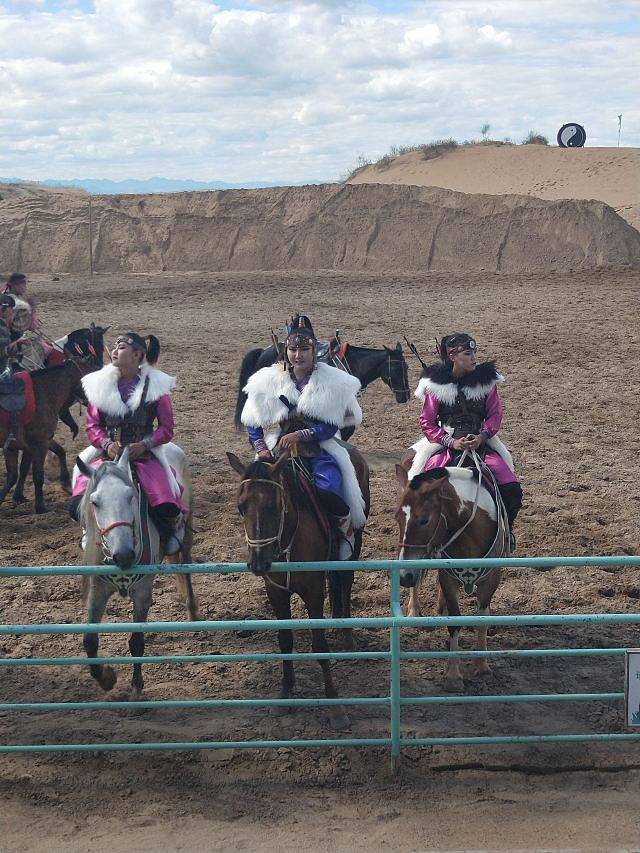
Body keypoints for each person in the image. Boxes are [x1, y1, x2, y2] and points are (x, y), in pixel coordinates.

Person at [241, 314, 366, 558]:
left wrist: (301, 434)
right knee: (254, 495)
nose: (298, 355)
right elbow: (252, 421)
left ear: (314, 351)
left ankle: (343, 535)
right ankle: (258, 541)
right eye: (293, 349)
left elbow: (331, 426)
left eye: (304, 349)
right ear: (286, 350)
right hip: (276, 449)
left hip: (319, 449)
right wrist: (260, 449)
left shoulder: (332, 382)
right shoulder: (268, 380)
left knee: (332, 490)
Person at [69, 332, 186, 554]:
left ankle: (173, 528)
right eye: (114, 346)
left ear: (137, 354)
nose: (114, 351)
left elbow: (166, 428)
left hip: (143, 456)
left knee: (165, 500)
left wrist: (145, 444)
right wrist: (105, 444)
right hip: (108, 457)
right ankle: (88, 530)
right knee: (80, 497)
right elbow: (93, 425)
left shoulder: (156, 387)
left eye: (121, 347)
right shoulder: (100, 385)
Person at [412, 332, 523, 548]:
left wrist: (482, 437)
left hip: (480, 442)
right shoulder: (436, 387)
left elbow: (494, 415)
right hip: (447, 442)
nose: (473, 357)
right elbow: (427, 422)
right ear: (453, 356)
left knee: (511, 486)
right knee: (421, 485)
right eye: (467, 353)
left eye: (474, 352)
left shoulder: (487, 383)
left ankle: (506, 530)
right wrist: (450, 442)